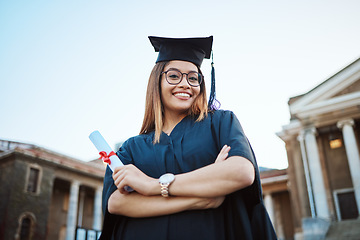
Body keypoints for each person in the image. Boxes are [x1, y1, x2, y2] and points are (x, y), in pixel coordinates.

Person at [100, 36, 277, 240]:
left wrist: (152, 186)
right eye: (174, 76)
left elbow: (241, 171)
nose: (185, 84)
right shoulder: (131, 148)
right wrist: (202, 199)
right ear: (156, 81)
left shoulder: (219, 123)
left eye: (193, 78)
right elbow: (116, 203)